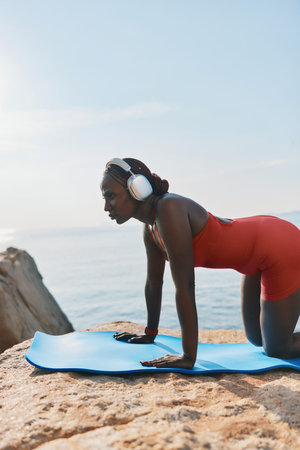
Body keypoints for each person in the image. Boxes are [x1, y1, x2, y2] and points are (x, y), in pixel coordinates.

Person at [100, 157, 300, 369]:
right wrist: (150, 333)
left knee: (277, 349)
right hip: (255, 254)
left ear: (136, 188)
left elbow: (185, 286)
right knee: (257, 339)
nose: (106, 207)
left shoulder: (169, 208)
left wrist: (188, 356)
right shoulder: (151, 228)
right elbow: (154, 283)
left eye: (110, 196)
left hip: (278, 245)